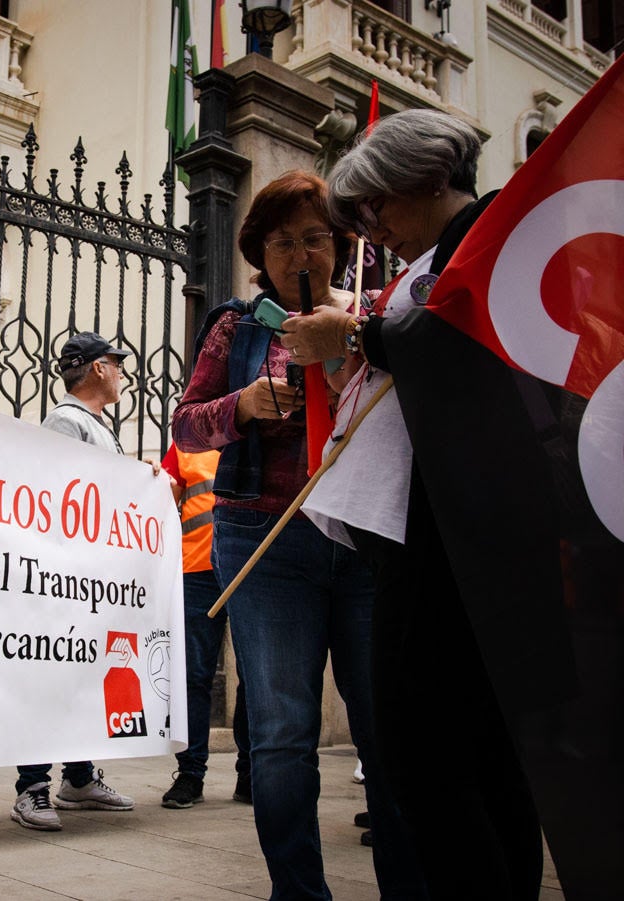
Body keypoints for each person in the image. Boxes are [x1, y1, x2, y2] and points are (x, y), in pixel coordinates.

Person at [281, 109, 548, 900]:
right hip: (435, 529)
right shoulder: (451, 248)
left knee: (430, 755)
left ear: (429, 178)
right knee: (468, 754)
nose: (374, 226)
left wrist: (355, 335)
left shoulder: (491, 236)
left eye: (379, 205)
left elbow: (461, 345)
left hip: (454, 533)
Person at [172, 171, 424, 900]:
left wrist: (348, 347)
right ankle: (298, 891)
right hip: (262, 536)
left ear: (342, 245)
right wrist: (244, 405)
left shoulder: (375, 315)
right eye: (282, 242)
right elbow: (187, 423)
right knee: (283, 731)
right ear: (260, 252)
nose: (300, 254)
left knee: (387, 727)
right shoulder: (237, 324)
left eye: (314, 237)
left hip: (362, 534)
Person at [10, 331, 137, 831]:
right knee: (52, 681)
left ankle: (78, 778)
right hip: (70, 578)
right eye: (117, 363)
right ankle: (32, 788)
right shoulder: (66, 421)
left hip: (95, 578)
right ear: (100, 368)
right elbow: (58, 498)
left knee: (86, 679)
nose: (123, 373)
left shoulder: (95, 425)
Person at [158, 443, 251, 809]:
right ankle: (190, 774)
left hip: (249, 569)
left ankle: (250, 774)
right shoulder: (185, 444)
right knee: (194, 676)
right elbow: (163, 496)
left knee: (254, 677)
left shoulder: (257, 432)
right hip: (196, 571)